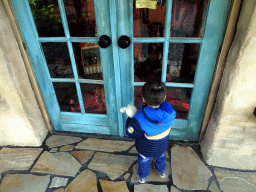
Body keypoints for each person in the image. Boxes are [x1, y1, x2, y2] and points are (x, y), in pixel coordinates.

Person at [124, 80, 176, 183]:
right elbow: (164, 107)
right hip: (162, 146)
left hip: (145, 149)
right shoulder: (170, 113)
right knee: (161, 157)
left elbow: (131, 132)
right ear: (164, 97)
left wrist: (132, 117)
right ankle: (161, 172)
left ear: (143, 98)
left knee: (144, 162)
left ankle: (143, 177)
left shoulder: (140, 118)